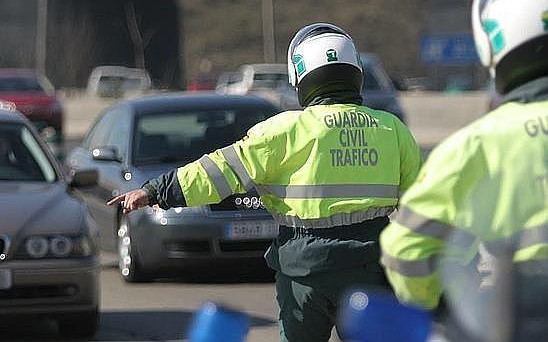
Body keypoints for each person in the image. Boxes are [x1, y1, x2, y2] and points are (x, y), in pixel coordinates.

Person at [108, 23, 421, 341]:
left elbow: (218, 171)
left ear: (302, 77)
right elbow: (423, 205)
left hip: (304, 270)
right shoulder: (391, 129)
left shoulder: (285, 130)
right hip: (370, 266)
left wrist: (157, 190)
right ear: (355, 72)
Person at [380, 0, 548, 333]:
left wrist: (438, 309)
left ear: (493, 46)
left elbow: (406, 250)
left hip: (515, 322)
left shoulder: (473, 146)